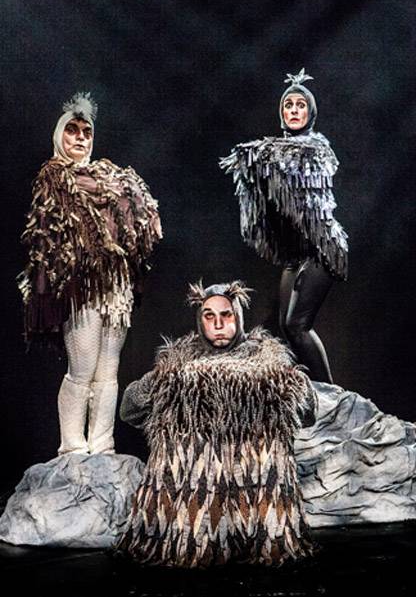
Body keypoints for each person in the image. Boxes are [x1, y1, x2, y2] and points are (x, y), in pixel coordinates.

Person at [116, 280, 316, 567]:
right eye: (209, 316)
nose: (218, 324)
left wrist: (287, 386)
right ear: (200, 320)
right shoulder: (178, 363)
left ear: (238, 316)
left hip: (255, 498)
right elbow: (129, 409)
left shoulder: (267, 360)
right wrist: (162, 384)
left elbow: (307, 412)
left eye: (226, 315)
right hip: (195, 498)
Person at [18, 92, 162, 456]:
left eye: (86, 132)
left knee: (109, 368)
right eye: (73, 130)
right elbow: (46, 239)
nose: (80, 138)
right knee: (82, 366)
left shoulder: (112, 177)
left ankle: (102, 445)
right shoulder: (53, 178)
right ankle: (72, 446)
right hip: (81, 284)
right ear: (60, 135)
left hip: (116, 285)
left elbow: (140, 218)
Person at [219, 69, 348, 383]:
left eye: (300, 105)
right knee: (286, 327)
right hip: (295, 254)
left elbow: (288, 169)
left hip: (322, 249)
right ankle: (312, 390)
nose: (294, 110)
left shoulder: (316, 150)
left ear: (310, 112)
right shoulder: (275, 151)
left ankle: (331, 393)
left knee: (297, 325)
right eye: (288, 105)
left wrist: (258, 156)